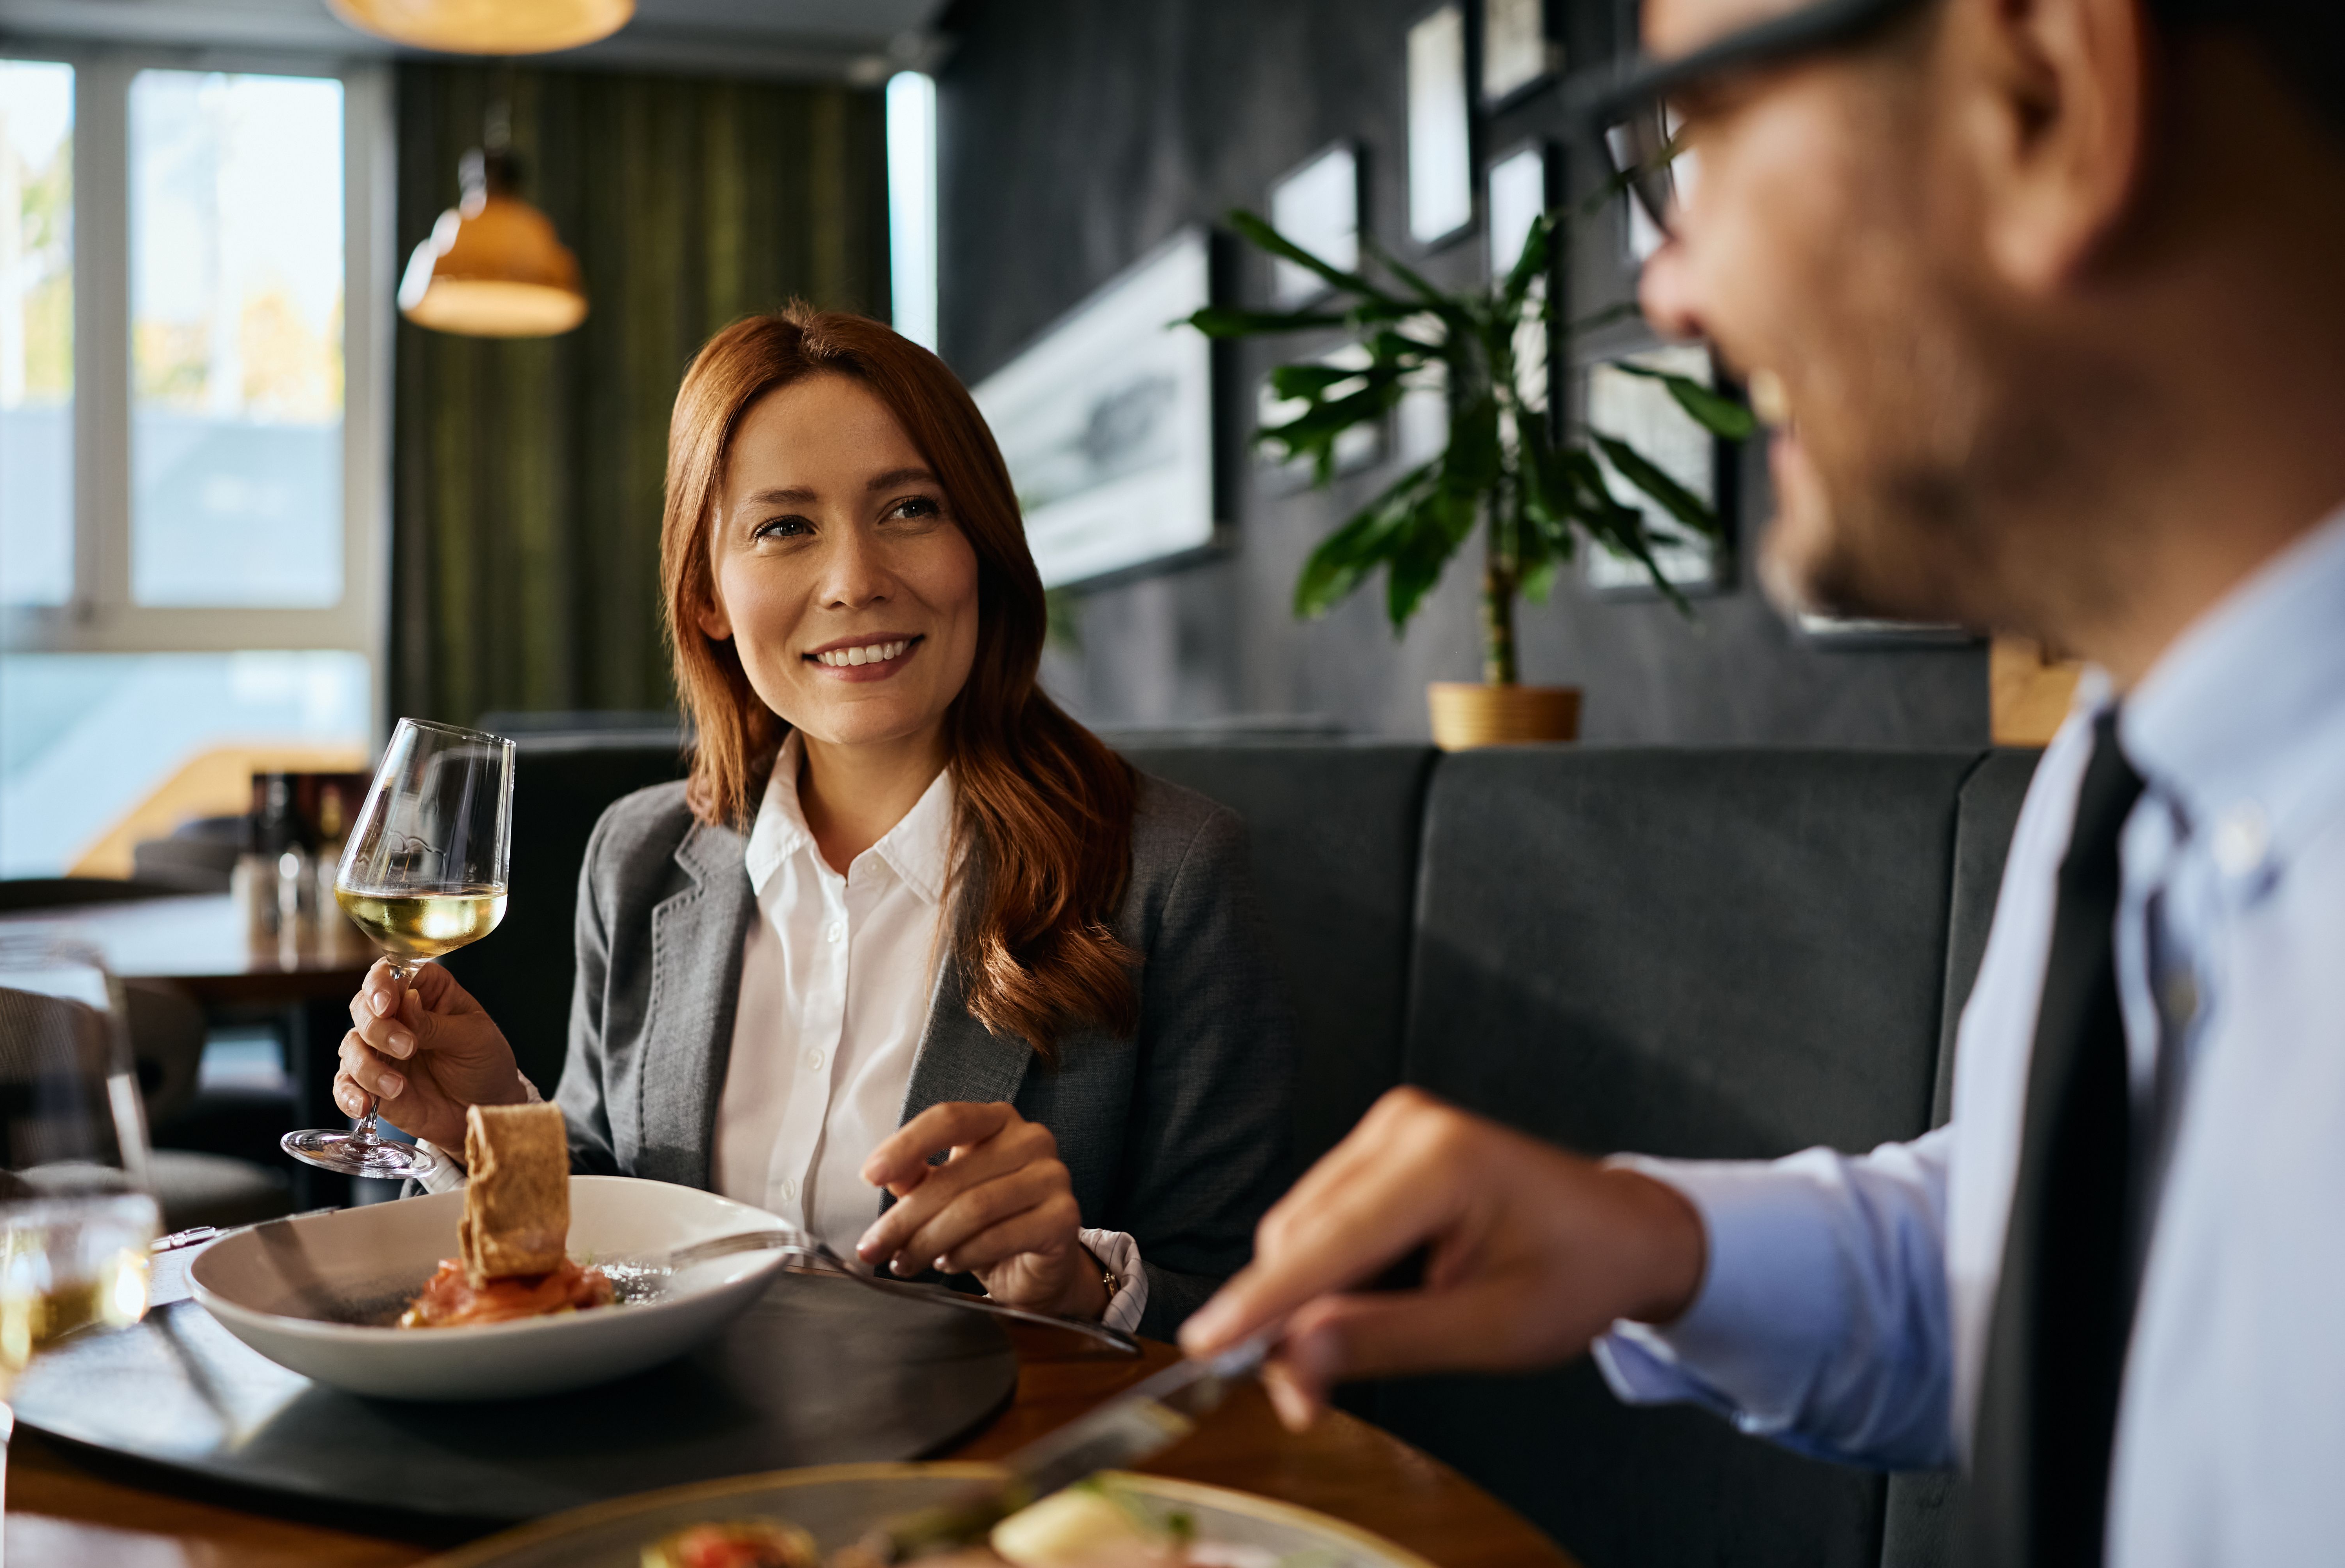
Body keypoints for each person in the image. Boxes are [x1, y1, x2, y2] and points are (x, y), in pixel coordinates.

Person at [1181, 0, 2345, 1562]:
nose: (1667, 287)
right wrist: (1661, 1243)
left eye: (1699, 130)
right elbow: (2058, 1282)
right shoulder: (2124, 776)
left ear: (2048, 94)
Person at [336, 305, 1295, 1338]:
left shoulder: (1172, 872)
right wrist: (486, 1127)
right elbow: (616, 1232)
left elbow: (1250, 1311)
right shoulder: (639, 857)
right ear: (706, 592)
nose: (856, 582)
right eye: (784, 527)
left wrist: (1078, 1287)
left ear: (982, 544)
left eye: (912, 509)